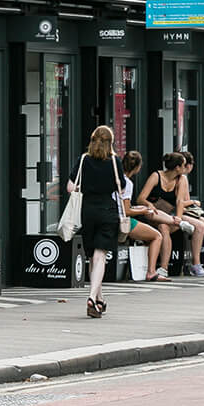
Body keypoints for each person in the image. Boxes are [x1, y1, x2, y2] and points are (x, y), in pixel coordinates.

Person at [66, 125, 129, 317]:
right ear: (111, 143)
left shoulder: (83, 160)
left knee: (93, 255)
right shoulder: (114, 161)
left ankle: (99, 299)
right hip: (107, 211)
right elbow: (123, 189)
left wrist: (86, 187)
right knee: (100, 255)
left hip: (87, 211)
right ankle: (92, 297)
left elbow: (70, 187)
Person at [119, 152, 174, 279]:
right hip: (122, 221)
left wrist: (137, 208)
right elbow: (126, 211)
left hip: (109, 215)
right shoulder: (127, 183)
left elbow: (122, 205)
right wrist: (143, 211)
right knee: (157, 236)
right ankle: (151, 272)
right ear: (137, 167)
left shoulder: (115, 179)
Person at [136, 154, 189, 281]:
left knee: (166, 226)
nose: (186, 168)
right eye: (183, 165)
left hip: (170, 216)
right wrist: (149, 204)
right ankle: (163, 268)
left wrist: (179, 217)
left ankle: (165, 269)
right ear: (177, 167)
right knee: (163, 226)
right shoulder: (156, 176)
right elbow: (140, 199)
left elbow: (180, 201)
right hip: (152, 215)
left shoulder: (181, 179)